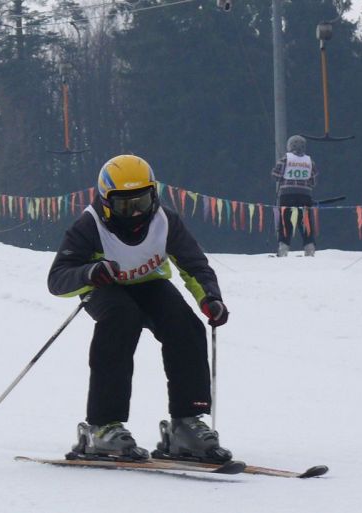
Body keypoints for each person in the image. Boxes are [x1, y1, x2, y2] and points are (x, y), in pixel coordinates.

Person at [47, 154, 231, 463]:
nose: (134, 212)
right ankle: (103, 427)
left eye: (142, 202)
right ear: (106, 202)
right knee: (121, 319)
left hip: (150, 283)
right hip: (106, 287)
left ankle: (186, 424)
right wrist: (89, 273)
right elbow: (57, 279)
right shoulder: (89, 225)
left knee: (185, 326)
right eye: (123, 205)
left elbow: (194, 265)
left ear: (154, 195)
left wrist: (210, 298)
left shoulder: (165, 220)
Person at [271, 135, 318, 257]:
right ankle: (309, 247)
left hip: (286, 195)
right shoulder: (309, 161)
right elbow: (313, 181)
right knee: (305, 221)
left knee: (285, 221)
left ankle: (283, 247)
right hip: (305, 196)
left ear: (289, 146)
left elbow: (275, 175)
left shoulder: (285, 159)